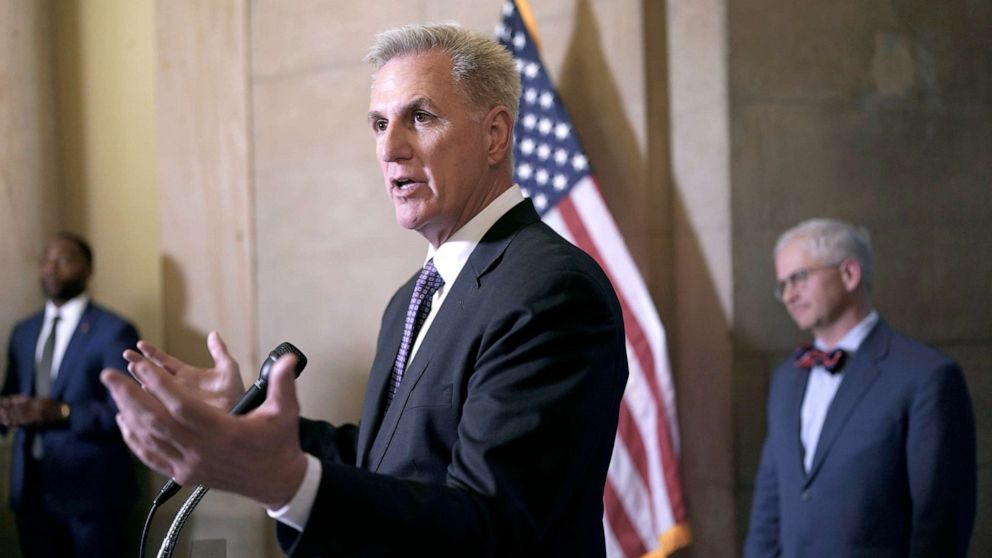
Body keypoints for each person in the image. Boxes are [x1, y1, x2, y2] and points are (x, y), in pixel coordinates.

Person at [101, 23, 628, 556]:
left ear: (495, 135)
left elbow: (494, 526)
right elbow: (383, 460)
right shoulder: (410, 299)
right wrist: (250, 422)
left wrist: (286, 485)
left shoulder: (549, 291)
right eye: (379, 124)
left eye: (419, 118)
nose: (390, 149)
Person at [744, 218, 976, 557]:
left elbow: (940, 523)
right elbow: (769, 505)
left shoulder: (926, 376)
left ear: (849, 274)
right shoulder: (786, 380)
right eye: (782, 285)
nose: (789, 295)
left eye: (799, 278)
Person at [0, 232, 140, 558]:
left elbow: (126, 412)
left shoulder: (113, 330)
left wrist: (59, 411)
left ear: (88, 270)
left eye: (64, 260)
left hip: (92, 499)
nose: (52, 268)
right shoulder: (24, 331)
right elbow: (10, 394)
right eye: (46, 260)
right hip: (32, 494)